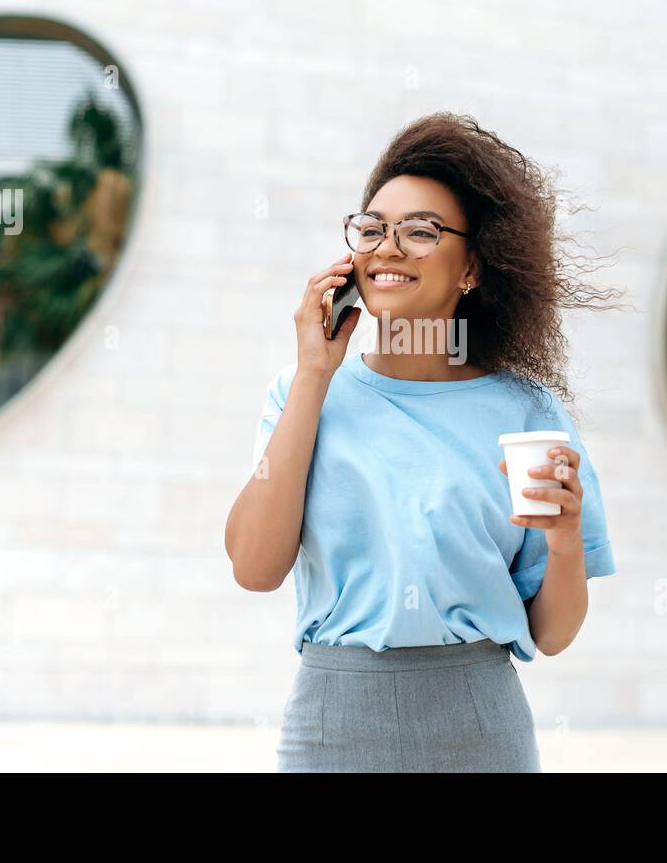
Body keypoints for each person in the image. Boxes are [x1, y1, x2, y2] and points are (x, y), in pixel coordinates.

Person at [224, 111, 624, 772]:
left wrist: (563, 540)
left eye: (420, 231)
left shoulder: (528, 412)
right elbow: (254, 567)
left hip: (480, 729)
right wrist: (314, 374)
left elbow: (553, 633)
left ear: (472, 266)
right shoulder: (301, 394)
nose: (387, 247)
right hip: (332, 728)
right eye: (372, 229)